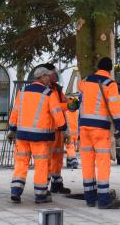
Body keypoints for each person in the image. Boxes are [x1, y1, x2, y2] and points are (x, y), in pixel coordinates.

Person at [8, 66, 69, 204]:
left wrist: (12, 129)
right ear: (42, 77)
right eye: (48, 76)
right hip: (40, 138)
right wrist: (64, 130)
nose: (50, 79)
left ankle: (16, 191)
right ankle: (40, 195)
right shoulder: (48, 93)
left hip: (22, 135)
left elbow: (15, 112)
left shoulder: (22, 92)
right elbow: (57, 113)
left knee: (21, 163)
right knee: (41, 165)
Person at [78, 57, 120, 209]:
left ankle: (90, 198)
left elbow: (81, 90)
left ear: (98, 67)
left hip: (84, 128)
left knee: (87, 162)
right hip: (100, 129)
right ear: (110, 70)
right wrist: (118, 126)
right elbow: (114, 108)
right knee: (102, 163)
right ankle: (103, 199)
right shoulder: (110, 84)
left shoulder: (86, 81)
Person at [43, 63, 71, 194]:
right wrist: (67, 106)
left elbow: (64, 101)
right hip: (48, 128)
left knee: (58, 156)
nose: (56, 76)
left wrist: (72, 102)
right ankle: (43, 185)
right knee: (47, 158)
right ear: (46, 74)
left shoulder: (57, 89)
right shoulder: (42, 89)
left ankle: (56, 182)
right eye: (54, 73)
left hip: (59, 127)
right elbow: (53, 106)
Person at [65, 95, 80, 169]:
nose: (72, 106)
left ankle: (69, 161)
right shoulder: (66, 112)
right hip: (69, 134)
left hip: (75, 135)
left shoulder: (77, 113)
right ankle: (73, 160)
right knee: (70, 147)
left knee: (72, 148)